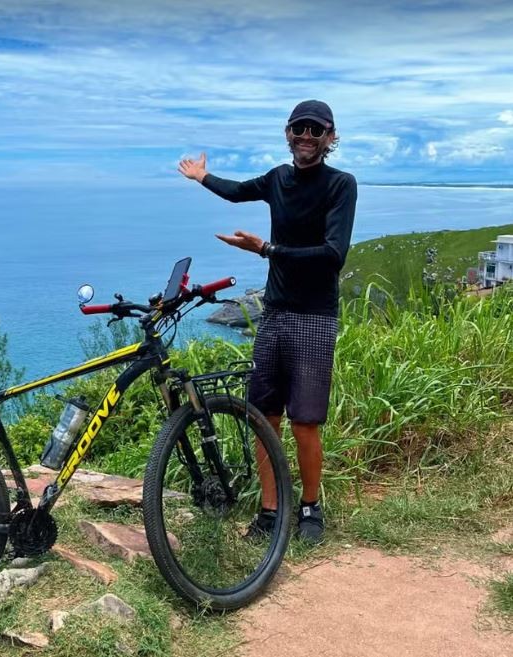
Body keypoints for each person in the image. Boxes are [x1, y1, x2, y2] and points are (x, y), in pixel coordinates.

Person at [178, 99, 357, 543]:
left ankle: (311, 507)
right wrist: (203, 178)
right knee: (263, 416)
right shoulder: (278, 178)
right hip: (275, 312)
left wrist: (266, 250)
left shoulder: (341, 185)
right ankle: (270, 509)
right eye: (299, 128)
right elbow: (238, 190)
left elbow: (333, 255)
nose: (306, 137)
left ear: (331, 137)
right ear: (288, 133)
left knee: (305, 422)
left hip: (314, 315)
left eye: (316, 130)